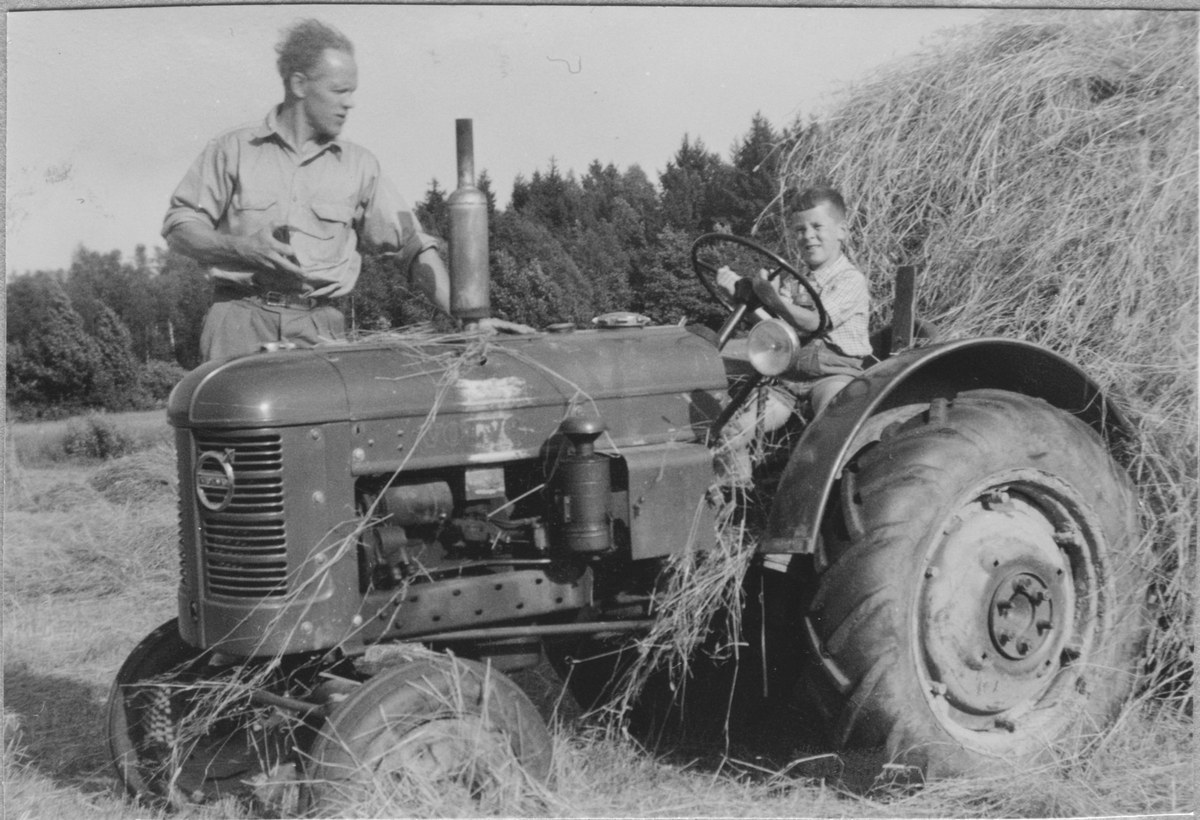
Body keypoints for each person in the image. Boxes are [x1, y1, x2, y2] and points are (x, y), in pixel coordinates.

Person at [163, 19, 524, 362]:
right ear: (299, 85)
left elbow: (412, 246)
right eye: (339, 91)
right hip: (238, 323)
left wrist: (467, 317)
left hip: (320, 330)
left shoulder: (359, 166)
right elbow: (180, 227)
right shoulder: (233, 150)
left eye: (352, 92)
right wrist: (239, 248)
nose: (349, 103)